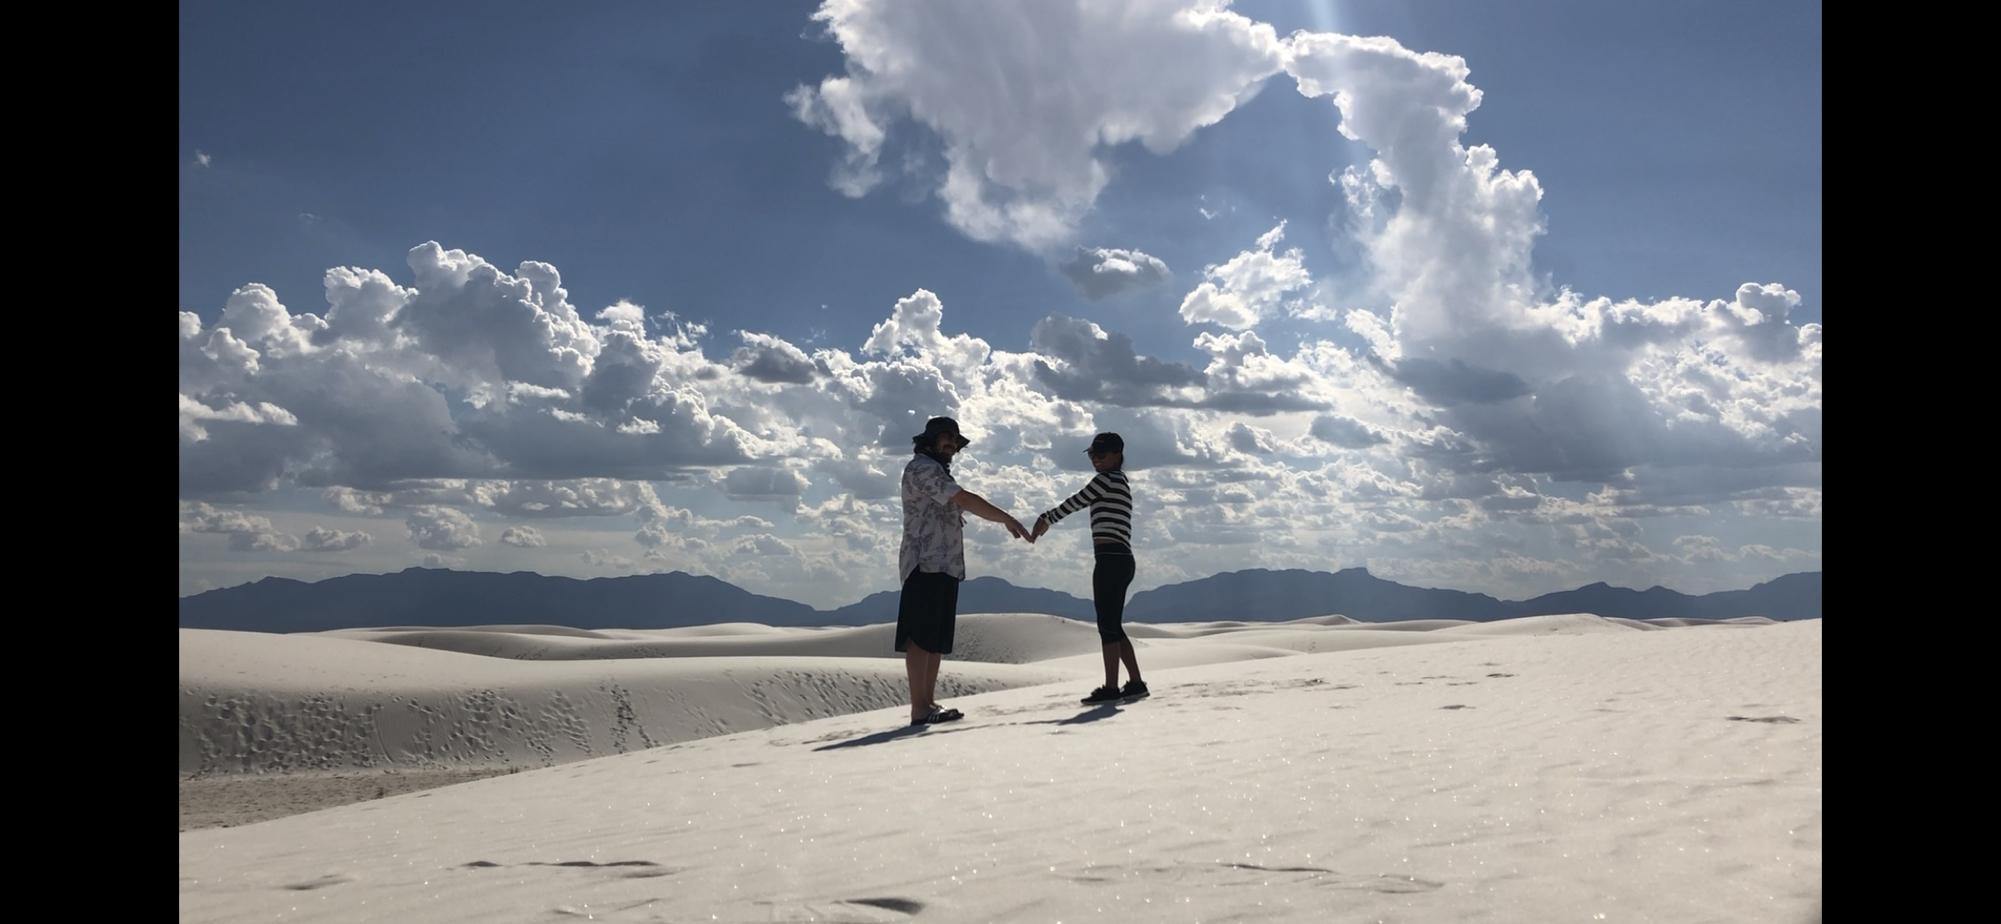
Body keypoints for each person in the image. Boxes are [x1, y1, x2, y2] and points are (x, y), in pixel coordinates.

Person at [897, 416, 1033, 725]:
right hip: (925, 563)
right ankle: (919, 707)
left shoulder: (938, 470)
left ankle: (928, 704)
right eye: (946, 438)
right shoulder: (922, 468)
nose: (951, 444)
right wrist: (1006, 518)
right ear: (929, 441)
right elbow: (963, 499)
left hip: (945, 563)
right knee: (920, 637)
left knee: (935, 637)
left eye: (955, 440)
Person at [1032, 432, 1146, 705]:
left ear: (1117, 454)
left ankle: (1111, 687)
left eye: (1101, 454)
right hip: (1119, 558)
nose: (1095, 459)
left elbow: (1077, 500)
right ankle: (1135, 682)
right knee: (1113, 625)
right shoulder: (1118, 480)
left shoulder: (1107, 480)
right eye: (1093, 454)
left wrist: (1046, 518)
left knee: (1107, 626)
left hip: (1111, 559)